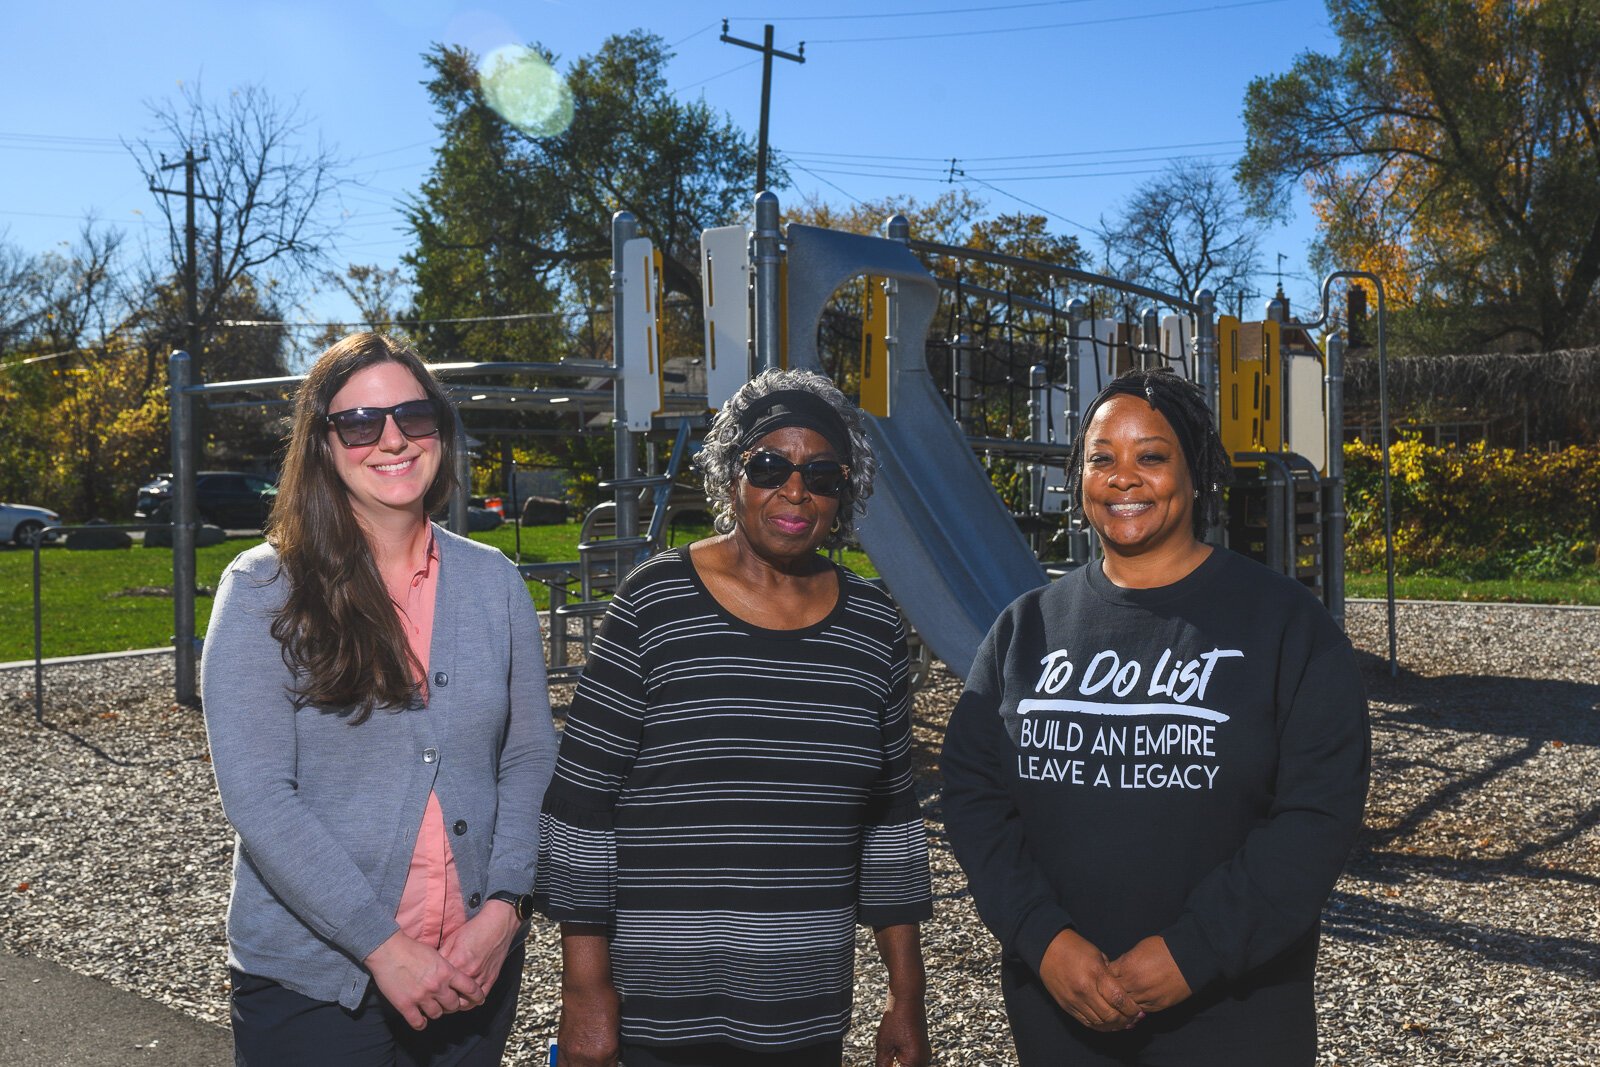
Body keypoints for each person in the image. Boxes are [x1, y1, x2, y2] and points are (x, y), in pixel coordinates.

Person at [942, 368, 1370, 1066]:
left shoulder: (1287, 625)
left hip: (1235, 1020)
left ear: (1194, 472)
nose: (1123, 477)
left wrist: (1193, 951)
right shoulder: (1025, 628)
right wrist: (1043, 938)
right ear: (1078, 477)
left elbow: (1317, 815)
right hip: (1060, 1016)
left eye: (1151, 455)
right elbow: (973, 795)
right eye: (1101, 457)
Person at [534, 368, 933, 1067]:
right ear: (730, 477)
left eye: (822, 474)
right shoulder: (654, 602)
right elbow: (578, 804)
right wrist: (585, 989)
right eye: (771, 464)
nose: (795, 489)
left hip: (804, 1018)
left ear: (845, 494)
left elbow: (892, 819)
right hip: (656, 1016)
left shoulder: (873, 625)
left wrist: (907, 994)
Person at [201, 332, 559, 1065]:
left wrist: (503, 910)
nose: (392, 438)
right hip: (314, 986)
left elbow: (528, 755)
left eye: (413, 415)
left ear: (440, 430)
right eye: (360, 422)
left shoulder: (494, 583)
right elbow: (260, 796)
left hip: (472, 968)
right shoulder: (264, 589)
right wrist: (382, 945)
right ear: (323, 444)